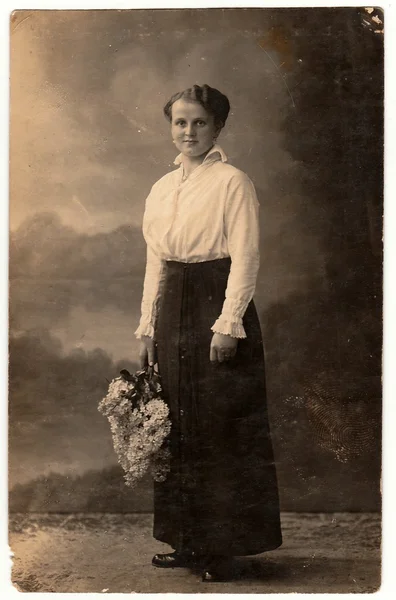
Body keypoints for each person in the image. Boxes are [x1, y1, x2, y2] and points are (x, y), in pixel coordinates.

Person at [135, 84, 282, 582]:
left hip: (216, 303)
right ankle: (187, 541)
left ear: (217, 127)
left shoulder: (232, 181)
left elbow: (246, 255)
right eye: (180, 122)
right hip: (173, 302)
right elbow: (156, 260)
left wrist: (228, 322)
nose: (188, 132)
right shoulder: (160, 187)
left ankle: (222, 547)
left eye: (199, 123)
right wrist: (148, 324)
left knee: (218, 427)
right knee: (178, 424)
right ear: (170, 126)